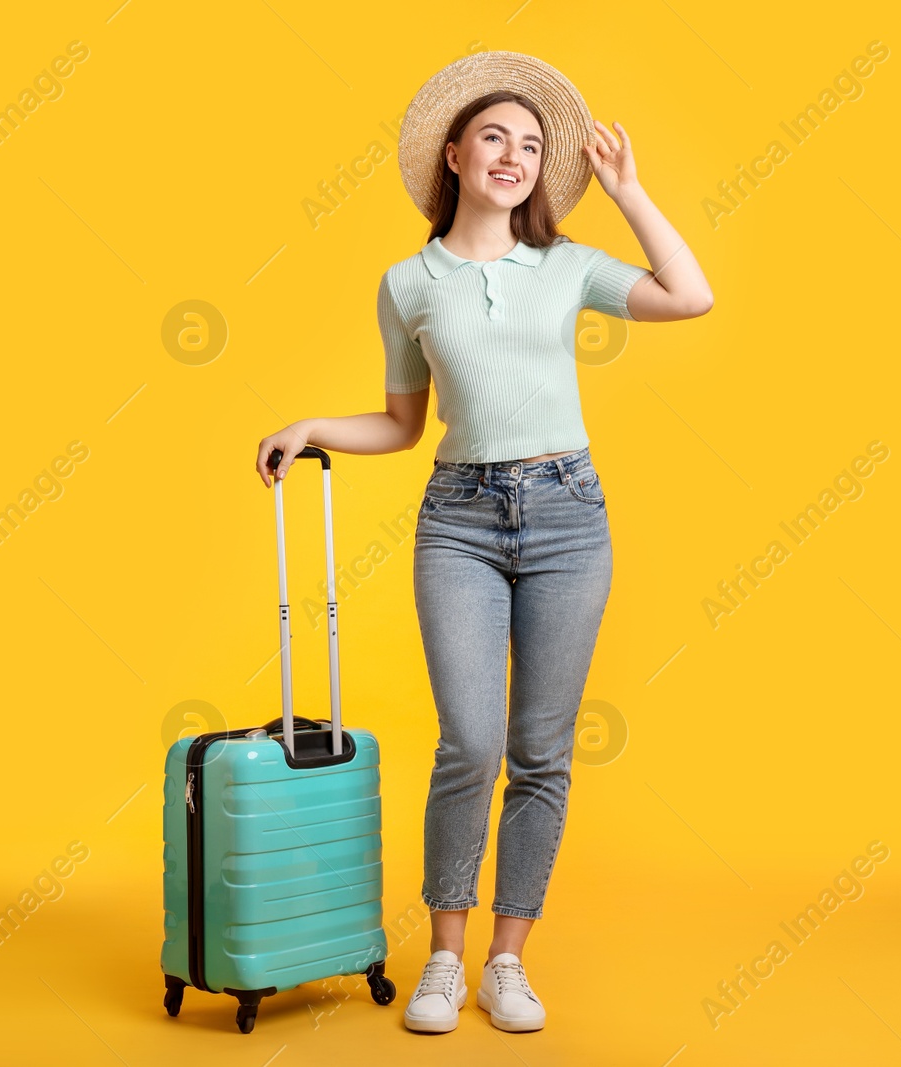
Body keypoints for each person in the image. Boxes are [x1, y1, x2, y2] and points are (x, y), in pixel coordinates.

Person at [254, 50, 712, 1035]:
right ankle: (444, 957)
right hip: (457, 519)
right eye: (494, 136)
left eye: (532, 145)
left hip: (566, 515)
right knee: (470, 741)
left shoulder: (566, 265)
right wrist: (314, 428)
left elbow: (690, 295)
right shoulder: (405, 284)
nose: (513, 154)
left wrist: (629, 194)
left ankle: (508, 958)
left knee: (541, 752)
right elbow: (403, 424)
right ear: (455, 155)